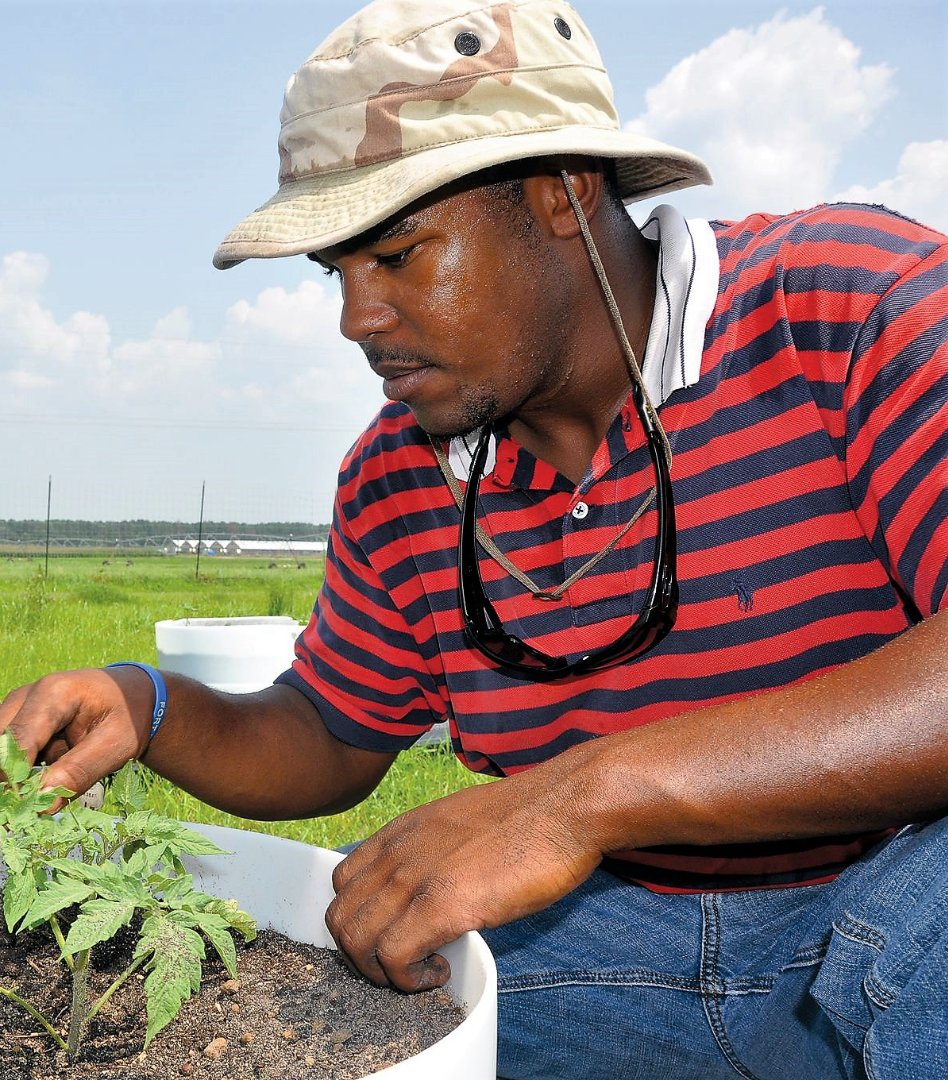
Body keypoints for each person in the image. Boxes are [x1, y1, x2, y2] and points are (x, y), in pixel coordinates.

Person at [2, 1, 946, 1076]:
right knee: (316, 955)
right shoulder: (402, 471)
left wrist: (577, 799)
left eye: (399, 255)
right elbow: (329, 730)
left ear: (561, 194)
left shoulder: (845, 305)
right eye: (336, 272)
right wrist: (153, 705)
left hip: (881, 926)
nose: (357, 319)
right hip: (595, 953)